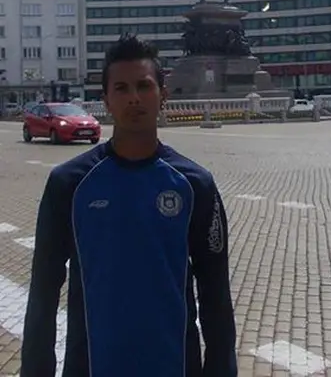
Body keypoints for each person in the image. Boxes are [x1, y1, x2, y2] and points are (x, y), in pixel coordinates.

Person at [20, 34, 237, 377]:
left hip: (175, 366)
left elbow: (216, 295)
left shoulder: (195, 185)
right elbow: (43, 293)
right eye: (121, 88)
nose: (134, 97)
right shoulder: (69, 184)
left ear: (163, 94)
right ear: (106, 100)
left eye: (144, 86)